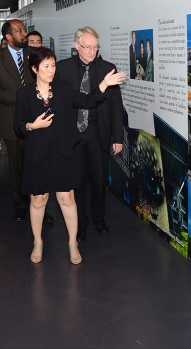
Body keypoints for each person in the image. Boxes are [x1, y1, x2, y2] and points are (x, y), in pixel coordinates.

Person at [14, 47, 126, 264]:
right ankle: (38, 242)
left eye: (53, 65)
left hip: (63, 152)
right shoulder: (24, 94)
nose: (51, 70)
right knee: (39, 200)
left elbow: (88, 101)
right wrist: (32, 125)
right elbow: (17, 124)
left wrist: (103, 85)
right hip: (37, 155)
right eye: (46, 66)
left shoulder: (64, 89)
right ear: (35, 68)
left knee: (67, 198)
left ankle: (73, 243)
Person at [55, 27, 124, 242]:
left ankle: (98, 216)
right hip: (73, 133)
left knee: (99, 177)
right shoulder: (62, 69)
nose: (92, 52)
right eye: (88, 47)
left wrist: (118, 137)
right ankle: (80, 222)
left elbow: (115, 105)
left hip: (97, 131)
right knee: (76, 181)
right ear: (77, 47)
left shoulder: (107, 69)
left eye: (95, 47)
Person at [0, 19, 52, 223]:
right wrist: (23, 98)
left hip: (37, 119)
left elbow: (44, 81)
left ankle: (39, 204)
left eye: (24, 29)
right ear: (8, 36)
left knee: (38, 163)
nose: (24, 33)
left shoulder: (32, 56)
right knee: (16, 165)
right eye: (20, 30)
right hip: (11, 119)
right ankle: (20, 204)